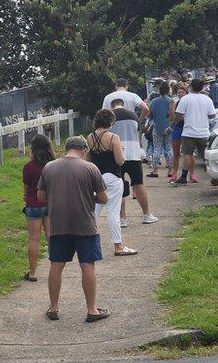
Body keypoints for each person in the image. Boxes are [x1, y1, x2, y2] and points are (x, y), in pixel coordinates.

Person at [37, 137, 109, 323]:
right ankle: (92, 310)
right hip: (85, 225)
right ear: (84, 150)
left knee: (56, 265)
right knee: (87, 265)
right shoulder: (90, 168)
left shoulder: (49, 167)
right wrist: (87, 196)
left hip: (59, 225)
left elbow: (41, 195)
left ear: (66, 148)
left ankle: (53, 308)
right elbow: (103, 198)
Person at [87, 110, 137, 256]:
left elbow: (89, 160)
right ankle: (118, 245)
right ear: (110, 122)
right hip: (113, 177)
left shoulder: (90, 137)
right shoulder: (113, 137)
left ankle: (88, 241)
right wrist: (121, 150)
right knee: (113, 212)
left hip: (97, 176)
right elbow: (120, 161)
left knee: (94, 210)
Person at [110, 99, 158, 225]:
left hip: (117, 154)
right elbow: (137, 131)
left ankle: (123, 218)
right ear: (123, 105)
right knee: (138, 183)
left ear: (112, 106)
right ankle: (147, 215)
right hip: (133, 154)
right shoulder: (133, 116)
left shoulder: (110, 116)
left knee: (119, 186)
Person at [171, 79, 216, 185]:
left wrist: (171, 128)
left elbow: (178, 115)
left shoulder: (185, 99)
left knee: (187, 154)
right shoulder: (207, 99)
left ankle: (183, 177)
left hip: (188, 132)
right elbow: (212, 115)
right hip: (204, 132)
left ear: (190, 87)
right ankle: (214, 177)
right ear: (202, 88)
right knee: (205, 156)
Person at [22, 135, 53, 282]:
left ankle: (33, 272)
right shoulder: (53, 165)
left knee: (34, 239)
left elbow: (26, 187)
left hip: (33, 205)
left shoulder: (28, 167)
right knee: (51, 236)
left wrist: (26, 197)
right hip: (50, 203)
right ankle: (55, 268)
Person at [147, 81, 174, 179]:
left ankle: (155, 170)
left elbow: (149, 115)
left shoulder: (154, 102)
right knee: (169, 148)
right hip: (169, 127)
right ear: (168, 90)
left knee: (157, 148)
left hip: (157, 127)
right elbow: (172, 115)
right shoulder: (171, 101)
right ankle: (170, 170)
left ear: (159, 90)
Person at [168, 83, 189, 184]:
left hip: (186, 129)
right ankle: (174, 173)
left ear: (187, 93)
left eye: (183, 92)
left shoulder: (189, 103)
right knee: (176, 153)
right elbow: (172, 117)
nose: (180, 94)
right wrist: (172, 106)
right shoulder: (175, 103)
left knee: (188, 154)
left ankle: (190, 174)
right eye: (179, 93)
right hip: (177, 128)